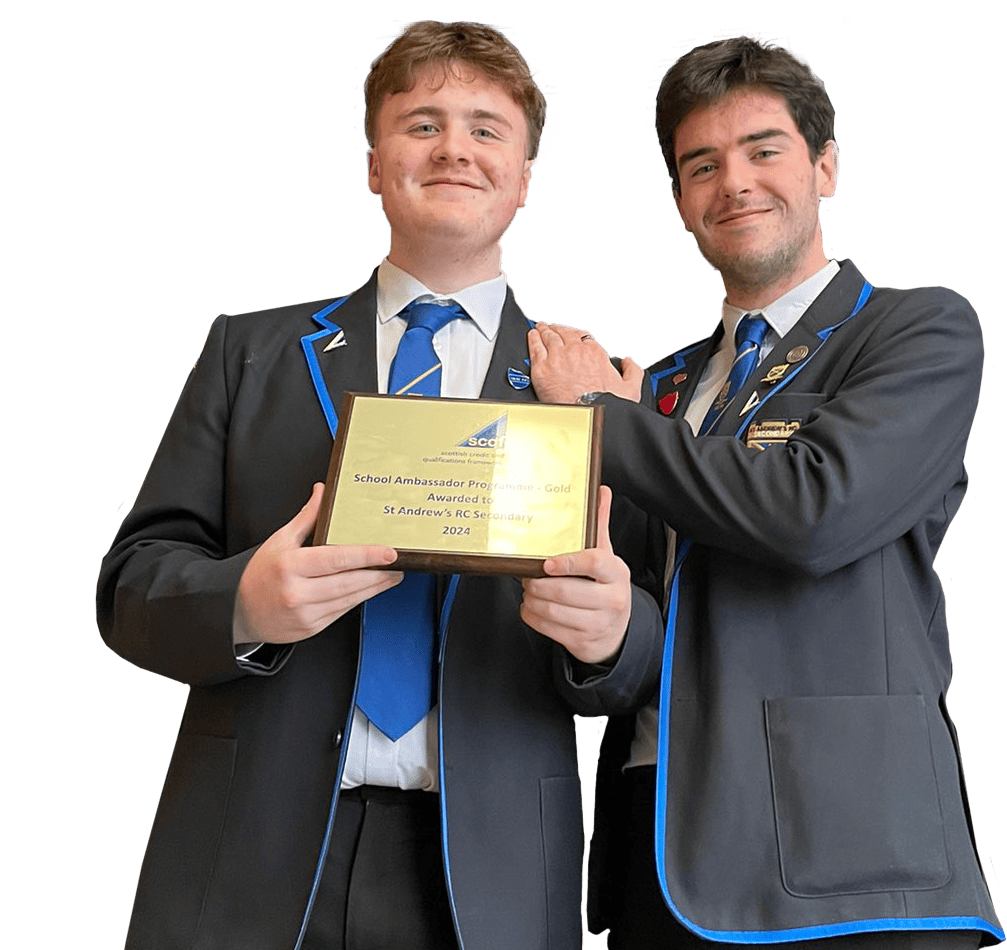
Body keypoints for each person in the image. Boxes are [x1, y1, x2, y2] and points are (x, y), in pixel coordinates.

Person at [96, 20, 663, 950]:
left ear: (523, 179)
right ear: (372, 164)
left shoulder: (590, 387)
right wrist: (247, 602)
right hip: (247, 860)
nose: (454, 149)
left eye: (487, 129)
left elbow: (648, 646)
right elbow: (130, 590)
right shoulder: (250, 353)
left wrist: (610, 638)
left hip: (494, 876)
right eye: (422, 122)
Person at [527, 34, 1005, 950]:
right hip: (658, 847)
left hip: (851, 864)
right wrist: (599, 646)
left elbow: (814, 515)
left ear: (825, 166)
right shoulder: (658, 390)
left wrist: (597, 420)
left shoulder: (916, 330)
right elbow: (637, 639)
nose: (733, 183)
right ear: (679, 205)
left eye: (763, 150)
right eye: (700, 166)